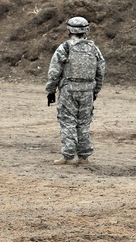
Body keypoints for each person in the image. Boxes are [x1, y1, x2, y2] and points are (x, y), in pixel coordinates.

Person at [45, 16, 106, 165]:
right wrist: (95, 91)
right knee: (84, 123)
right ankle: (84, 157)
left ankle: (67, 156)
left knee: (68, 123)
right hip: (87, 91)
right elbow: (101, 72)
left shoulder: (64, 48)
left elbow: (54, 72)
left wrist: (51, 91)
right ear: (86, 30)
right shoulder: (94, 49)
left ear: (69, 30)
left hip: (69, 91)